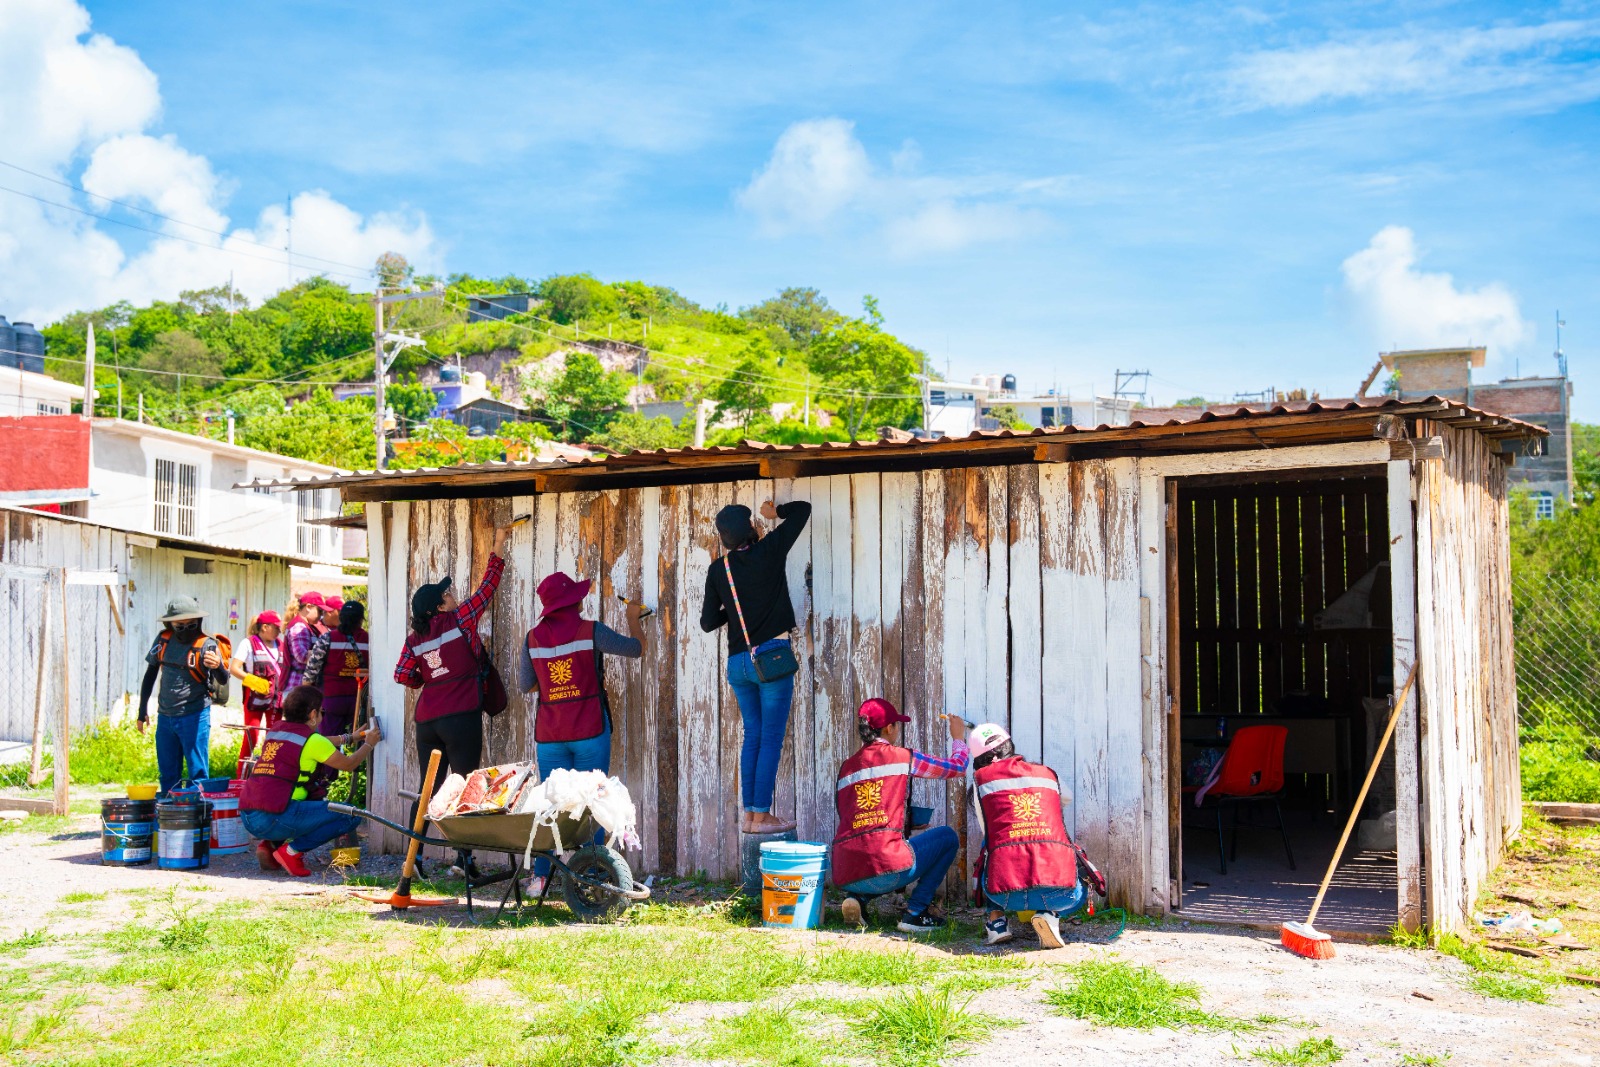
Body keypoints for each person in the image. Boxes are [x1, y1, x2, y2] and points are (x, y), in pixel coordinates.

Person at [518, 570, 647, 894]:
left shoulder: (532, 638)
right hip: (589, 728)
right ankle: (594, 877)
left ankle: (540, 878)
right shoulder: (590, 631)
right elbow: (635, 649)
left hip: (550, 734)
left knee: (548, 806)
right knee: (594, 803)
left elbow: (525, 685)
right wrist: (634, 618)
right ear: (573, 602)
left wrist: (553, 684)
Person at [395, 524, 513, 874]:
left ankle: (413, 857)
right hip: (460, 716)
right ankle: (463, 860)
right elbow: (488, 588)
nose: (452, 595)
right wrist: (498, 545)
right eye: (446, 594)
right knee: (463, 784)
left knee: (428, 786)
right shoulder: (460, 619)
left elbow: (402, 675)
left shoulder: (415, 638)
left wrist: (431, 679)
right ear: (438, 606)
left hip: (428, 719)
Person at [700, 497, 811, 834]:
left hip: (739, 664)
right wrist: (775, 512)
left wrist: (735, 611)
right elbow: (803, 509)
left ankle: (751, 816)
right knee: (771, 738)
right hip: (772, 658)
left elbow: (707, 622)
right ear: (751, 528)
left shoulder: (720, 569)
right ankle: (761, 815)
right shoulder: (771, 550)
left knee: (754, 737)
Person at [831, 698, 968, 934]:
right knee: (946, 837)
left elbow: (857, 815)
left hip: (847, 871)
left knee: (872, 848)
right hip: (886, 869)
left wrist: (906, 820)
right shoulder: (901, 756)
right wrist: (958, 738)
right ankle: (915, 912)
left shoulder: (847, 767)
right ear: (888, 728)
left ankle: (858, 899)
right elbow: (956, 768)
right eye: (897, 725)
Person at [239, 684, 382, 877]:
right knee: (350, 815)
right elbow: (349, 764)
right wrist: (368, 744)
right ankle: (291, 852)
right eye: (322, 711)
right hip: (274, 817)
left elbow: (318, 742)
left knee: (310, 802)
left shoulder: (277, 731)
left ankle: (270, 845)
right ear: (313, 714)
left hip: (249, 816)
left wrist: (350, 737)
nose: (323, 716)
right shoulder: (312, 741)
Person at [968, 723, 1086, 949]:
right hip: (1062, 895)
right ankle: (1047, 914)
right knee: (1078, 892)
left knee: (993, 840)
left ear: (979, 759)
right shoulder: (1046, 772)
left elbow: (988, 831)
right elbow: (1067, 798)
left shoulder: (981, 781)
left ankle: (997, 922)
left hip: (1005, 895)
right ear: (1009, 745)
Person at [138, 595, 230, 794]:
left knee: (198, 773)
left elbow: (223, 679)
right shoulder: (163, 640)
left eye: (191, 624)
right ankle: (170, 816)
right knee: (168, 773)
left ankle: (197, 817)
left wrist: (219, 666)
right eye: (180, 625)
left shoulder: (207, 644)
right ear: (171, 624)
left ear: (198, 622)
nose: (186, 629)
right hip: (165, 716)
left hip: (194, 715)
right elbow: (150, 673)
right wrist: (142, 709)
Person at [304, 599, 368, 737]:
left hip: (331, 699)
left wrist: (305, 692)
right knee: (357, 741)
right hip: (358, 699)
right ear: (360, 620)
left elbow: (311, 671)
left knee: (329, 741)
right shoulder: (369, 640)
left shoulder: (327, 638)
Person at [230, 610, 284, 762]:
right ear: (265, 627)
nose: (279, 631)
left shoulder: (281, 644)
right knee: (251, 736)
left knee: (274, 739)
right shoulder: (248, 643)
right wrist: (253, 681)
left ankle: (268, 774)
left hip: (276, 698)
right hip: (254, 697)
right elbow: (234, 668)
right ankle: (241, 777)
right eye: (276, 627)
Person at [282, 591, 325, 689]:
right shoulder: (300, 627)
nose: (321, 616)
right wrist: (325, 655)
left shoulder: (307, 626)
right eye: (320, 611)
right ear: (308, 607)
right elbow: (302, 656)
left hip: (301, 685)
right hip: (297, 685)